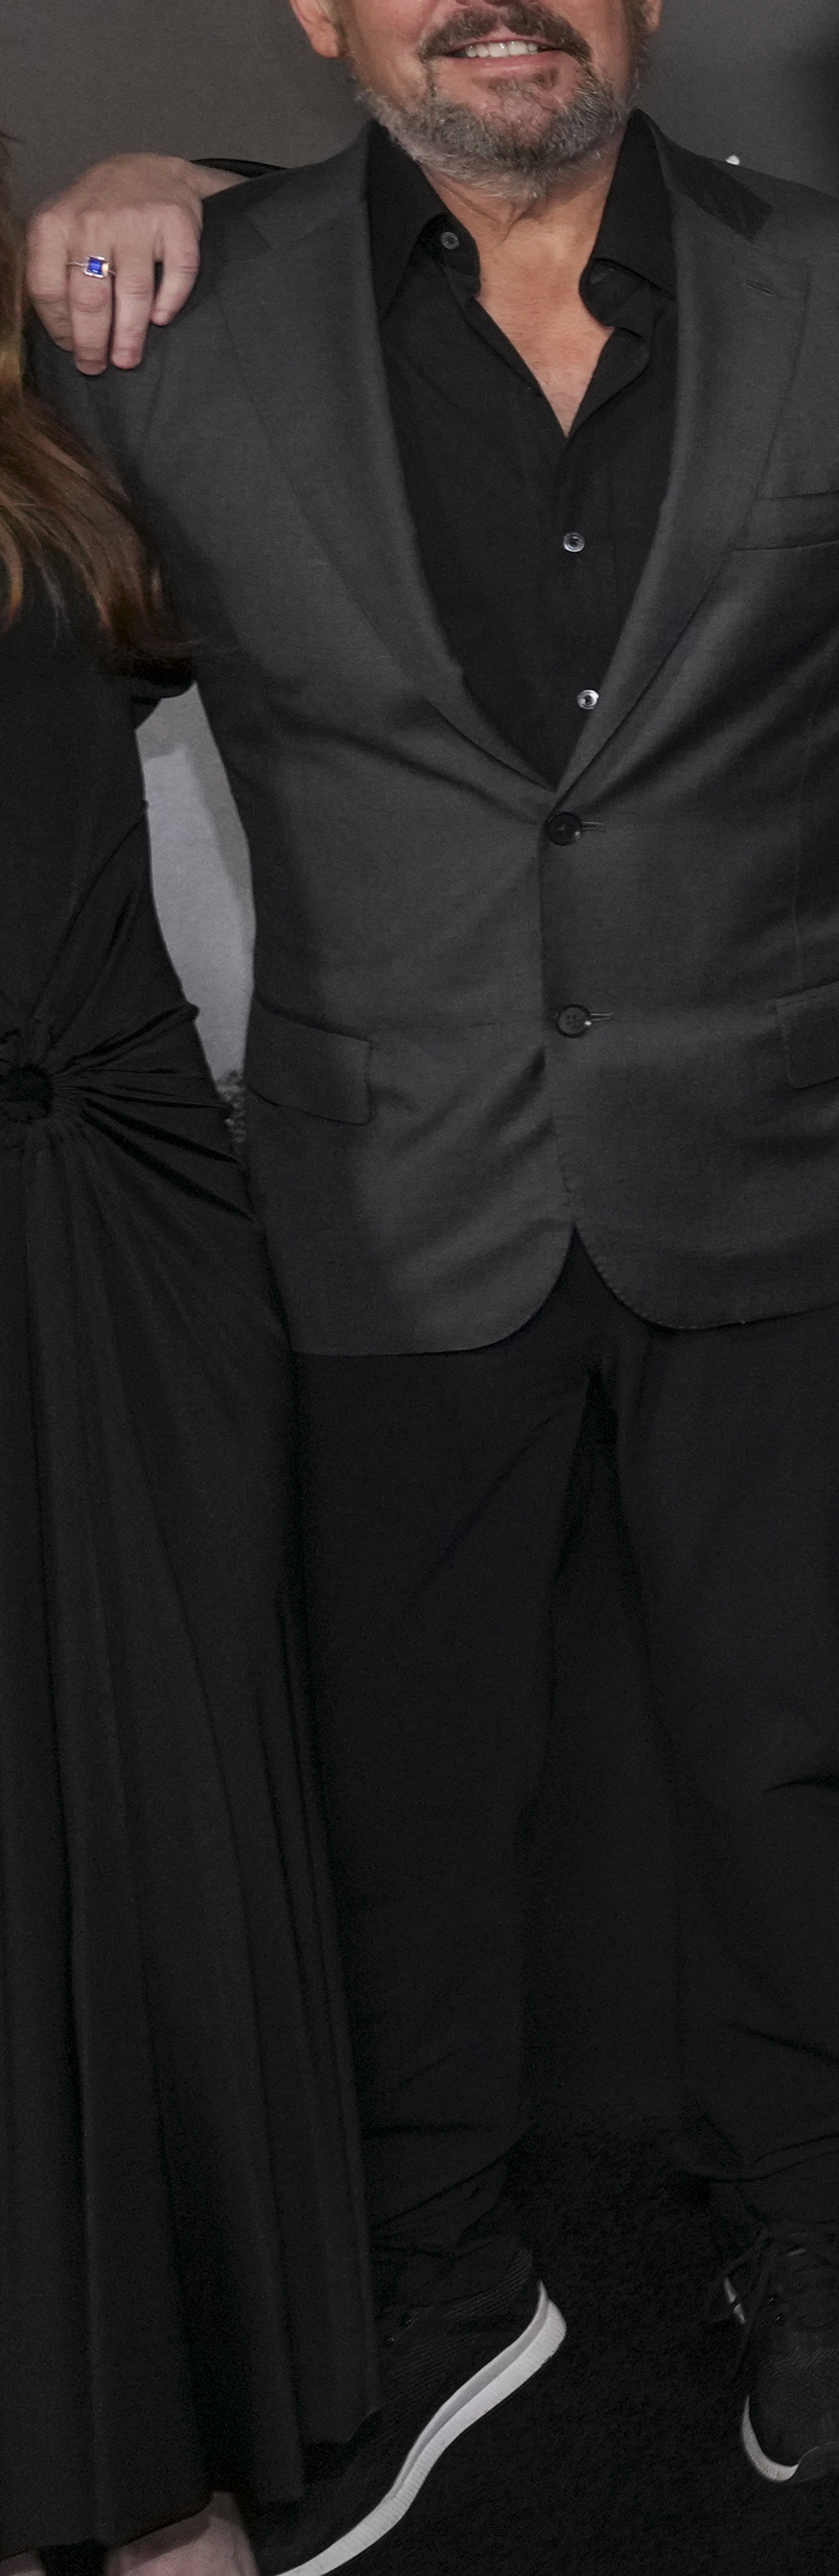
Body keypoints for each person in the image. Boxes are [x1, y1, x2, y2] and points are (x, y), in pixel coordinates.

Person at [32, 0, 839, 2564]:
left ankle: (818, 2244)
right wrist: (115, 183)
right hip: (374, 1169)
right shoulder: (152, 328)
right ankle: (432, 2263)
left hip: (796, 1166)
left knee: (786, 1751)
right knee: (399, 1778)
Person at [0, 224, 377, 2576]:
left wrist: (167, 172)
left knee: (146, 1836)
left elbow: (382, 237)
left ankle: (157, 2466)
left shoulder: (73, 478)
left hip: (118, 1241)